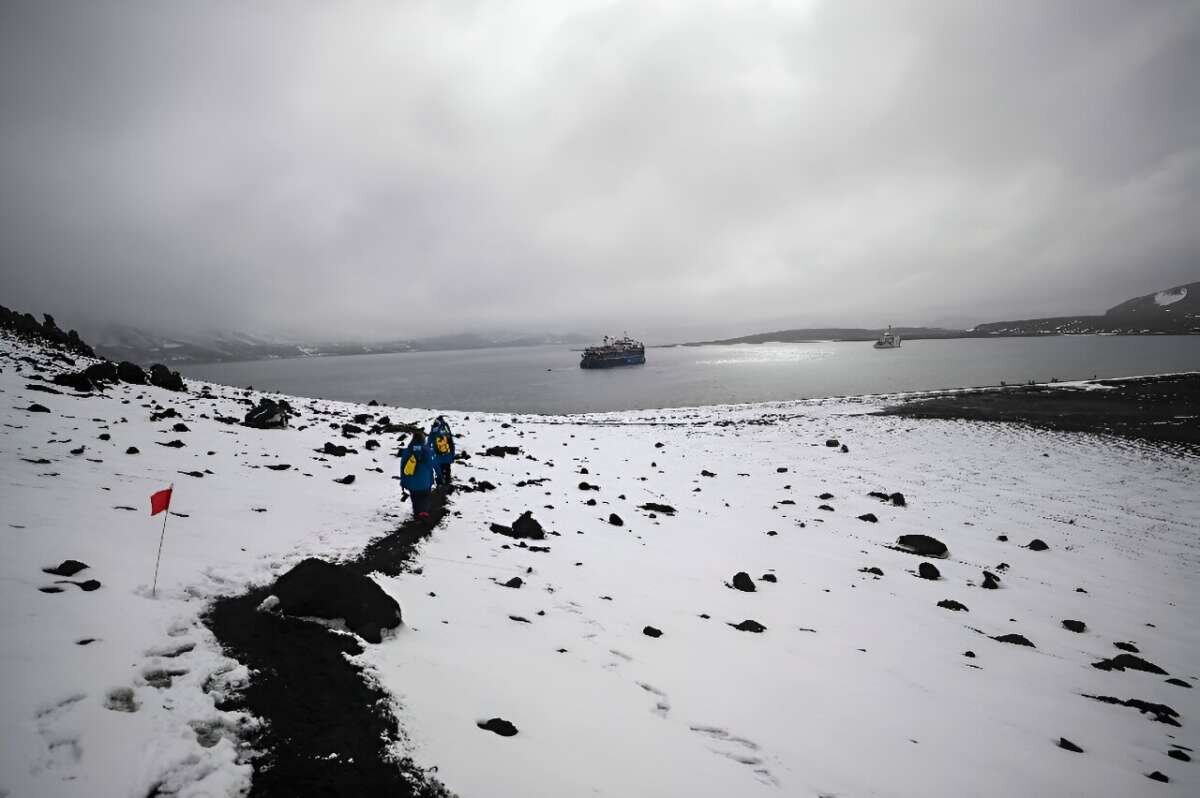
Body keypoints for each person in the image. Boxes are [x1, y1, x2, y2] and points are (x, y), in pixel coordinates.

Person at [399, 429, 437, 518]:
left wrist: (403, 482)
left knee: (415, 499)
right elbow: (432, 465)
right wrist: (435, 478)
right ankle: (424, 513)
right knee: (425, 498)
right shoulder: (427, 450)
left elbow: (403, 468)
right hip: (425, 482)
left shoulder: (407, 451)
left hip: (411, 483)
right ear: (422, 440)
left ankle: (417, 514)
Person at [429, 415, 455, 489]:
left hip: (438, 455)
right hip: (447, 454)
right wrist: (452, 454)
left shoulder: (434, 428)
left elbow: (429, 442)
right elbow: (451, 442)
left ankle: (440, 485)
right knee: (447, 469)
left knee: (439, 470)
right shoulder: (446, 428)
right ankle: (447, 482)